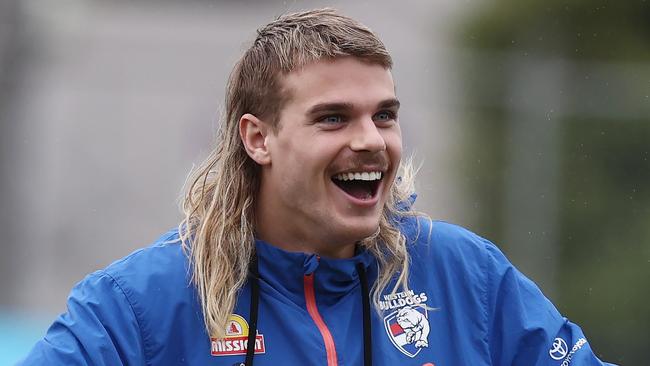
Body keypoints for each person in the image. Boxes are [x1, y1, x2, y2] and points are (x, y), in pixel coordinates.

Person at [21, 8, 614, 366]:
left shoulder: (466, 277)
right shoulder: (141, 305)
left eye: (384, 115)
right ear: (259, 139)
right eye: (333, 118)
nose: (371, 140)